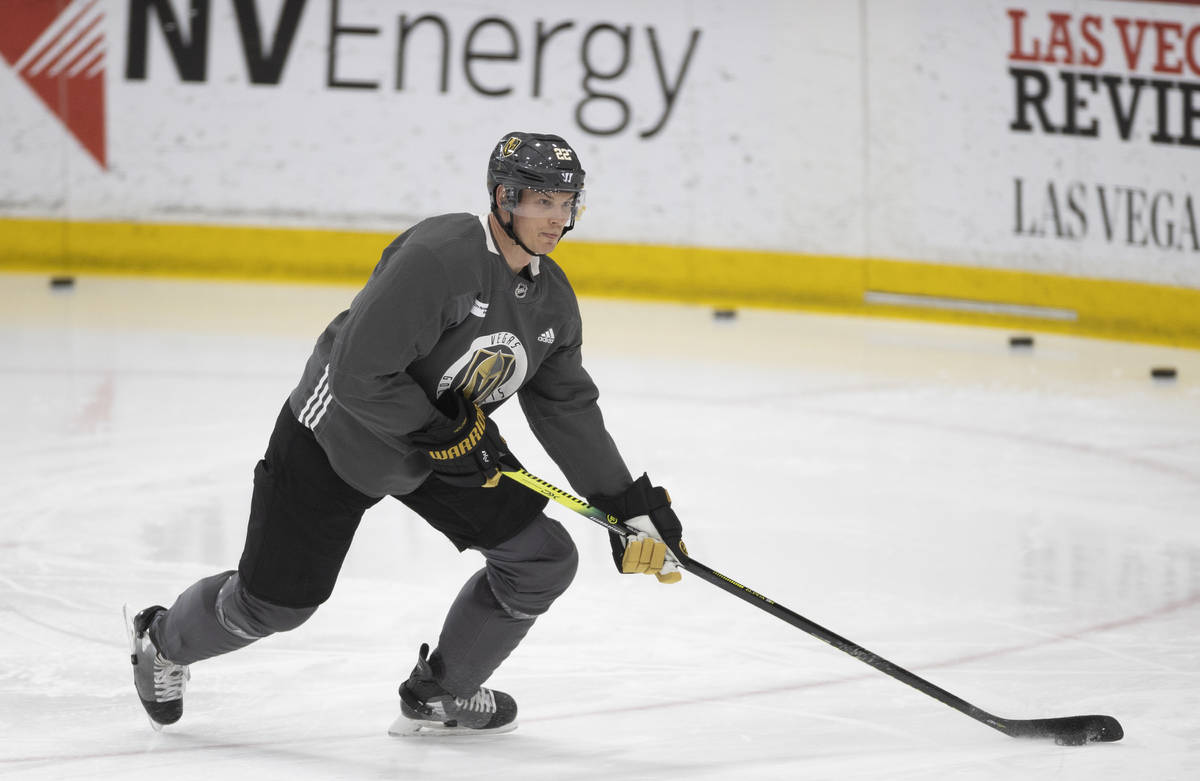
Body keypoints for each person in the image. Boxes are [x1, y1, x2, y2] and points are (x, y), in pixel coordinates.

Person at [127, 131, 688, 736]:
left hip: (436, 448)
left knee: (542, 561)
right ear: (503, 197)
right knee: (274, 607)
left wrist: (625, 505)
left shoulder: (550, 302)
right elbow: (356, 373)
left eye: (566, 202)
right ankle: (162, 643)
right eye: (541, 201)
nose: (556, 218)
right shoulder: (441, 257)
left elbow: (565, 408)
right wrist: (441, 428)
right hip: (337, 437)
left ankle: (441, 693)